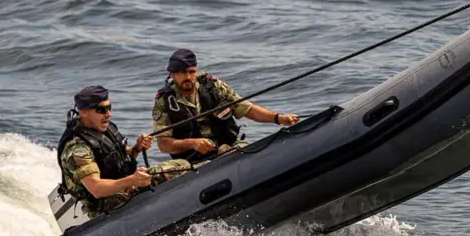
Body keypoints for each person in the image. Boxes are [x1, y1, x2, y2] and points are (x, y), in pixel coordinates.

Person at [57, 85, 191, 218]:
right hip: (103, 203)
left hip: (121, 185)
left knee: (182, 164)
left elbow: (116, 157)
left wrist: (137, 148)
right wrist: (132, 180)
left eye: (109, 108)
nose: (108, 114)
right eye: (102, 110)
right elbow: (96, 188)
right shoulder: (77, 148)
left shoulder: (103, 128)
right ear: (84, 112)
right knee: (178, 168)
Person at [151, 48, 300, 163]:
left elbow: (246, 109)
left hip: (227, 146)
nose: (188, 77)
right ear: (171, 74)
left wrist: (278, 118)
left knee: (248, 154)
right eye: (182, 73)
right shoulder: (164, 102)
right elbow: (164, 144)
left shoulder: (213, 87)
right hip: (192, 159)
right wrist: (193, 143)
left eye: (191, 72)